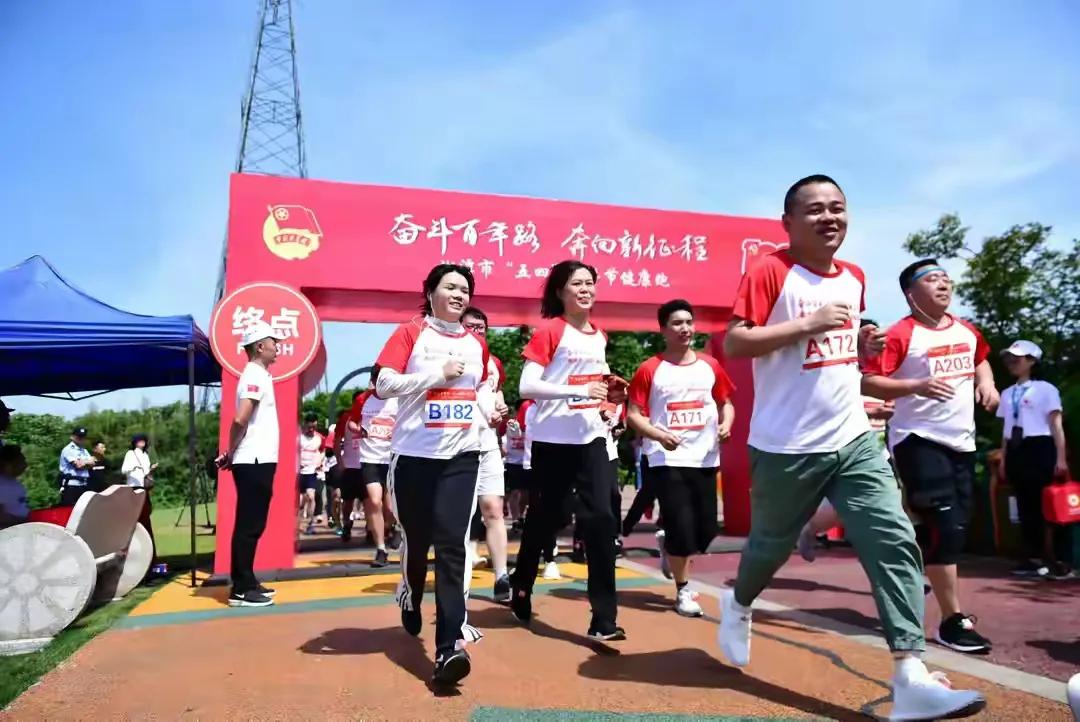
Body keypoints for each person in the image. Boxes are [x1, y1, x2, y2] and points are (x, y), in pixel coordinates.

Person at [718, 175, 985, 720]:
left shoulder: (855, 277)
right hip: (786, 444)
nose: (828, 218)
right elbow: (735, 341)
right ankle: (738, 602)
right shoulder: (772, 270)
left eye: (837, 208)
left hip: (853, 435)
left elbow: (841, 362)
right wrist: (807, 323)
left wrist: (860, 349)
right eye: (814, 210)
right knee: (767, 550)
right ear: (788, 222)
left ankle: (910, 673)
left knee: (893, 539)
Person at [861, 260, 999, 654]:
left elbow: (980, 360)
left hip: (962, 441)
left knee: (949, 525)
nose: (943, 284)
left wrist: (986, 384)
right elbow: (868, 379)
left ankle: (904, 573)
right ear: (911, 293)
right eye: (931, 279)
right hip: (917, 440)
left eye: (945, 278)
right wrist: (916, 384)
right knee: (946, 524)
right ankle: (952, 620)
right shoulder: (901, 333)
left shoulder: (966, 329)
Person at [375, 262, 498, 686]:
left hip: (461, 456)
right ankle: (410, 593)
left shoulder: (477, 344)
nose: (459, 295)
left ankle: (449, 648)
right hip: (412, 456)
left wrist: (490, 406)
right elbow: (383, 384)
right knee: (418, 540)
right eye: (450, 287)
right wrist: (434, 376)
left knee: (452, 546)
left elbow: (480, 388)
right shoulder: (411, 333)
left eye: (465, 289)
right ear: (430, 292)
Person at [509, 259, 629, 641]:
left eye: (590, 283)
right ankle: (522, 583)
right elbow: (527, 387)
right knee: (548, 517)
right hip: (552, 441)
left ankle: (604, 619)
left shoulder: (600, 336)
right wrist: (576, 391)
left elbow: (597, 387)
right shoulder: (551, 331)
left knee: (602, 521)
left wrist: (611, 404)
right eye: (577, 283)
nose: (585, 289)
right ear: (560, 291)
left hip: (591, 438)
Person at [627, 299, 735, 617]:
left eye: (688, 322)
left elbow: (725, 402)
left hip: (704, 458)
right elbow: (634, 415)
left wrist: (727, 423)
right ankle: (683, 589)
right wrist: (659, 435)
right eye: (677, 323)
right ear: (663, 329)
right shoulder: (650, 369)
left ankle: (670, 548)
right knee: (682, 529)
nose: (685, 328)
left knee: (705, 532)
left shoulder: (710, 366)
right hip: (666, 458)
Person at [215, 320, 286, 608]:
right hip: (253, 458)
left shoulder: (260, 375)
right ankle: (241, 589)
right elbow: (240, 419)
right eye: (274, 342)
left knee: (254, 523)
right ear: (260, 346)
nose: (278, 347)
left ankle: (248, 580)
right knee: (249, 523)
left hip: (259, 458)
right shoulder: (254, 375)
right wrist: (231, 452)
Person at [998, 340, 1073, 580]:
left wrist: (1061, 457)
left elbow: (1056, 425)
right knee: (1024, 505)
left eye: (1017, 358)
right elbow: (1006, 429)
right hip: (1017, 449)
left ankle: (1058, 559)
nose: (1012, 363)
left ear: (1032, 361)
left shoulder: (1046, 389)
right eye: (1009, 358)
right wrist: (1003, 458)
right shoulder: (1007, 393)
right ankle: (1032, 558)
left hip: (1040, 446)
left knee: (1047, 505)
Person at [462, 306, 513, 603]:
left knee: (493, 509)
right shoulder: (447, 356)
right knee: (459, 515)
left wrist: (501, 410)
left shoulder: (494, 363)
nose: (477, 332)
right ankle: (458, 577)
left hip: (487, 443)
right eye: (471, 326)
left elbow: (497, 396)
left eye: (481, 328)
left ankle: (501, 576)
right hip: (455, 445)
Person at [346, 377, 399, 566]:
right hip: (370, 458)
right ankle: (381, 549)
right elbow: (352, 422)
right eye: (377, 382)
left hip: (392, 458)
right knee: (374, 501)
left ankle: (394, 527)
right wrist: (358, 429)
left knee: (391, 508)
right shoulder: (363, 399)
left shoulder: (397, 399)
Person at [503, 399, 532, 529]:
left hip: (526, 462)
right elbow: (504, 432)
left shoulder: (532, 424)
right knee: (514, 492)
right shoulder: (511, 424)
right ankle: (515, 519)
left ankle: (521, 515)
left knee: (525, 493)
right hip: (512, 462)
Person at [58, 427, 95, 506]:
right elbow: (78, 465)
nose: (81, 439)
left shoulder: (84, 450)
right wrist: (87, 462)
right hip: (71, 485)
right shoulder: (68, 449)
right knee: (69, 511)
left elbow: (92, 463)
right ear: (72, 437)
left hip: (84, 484)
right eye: (79, 436)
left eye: (83, 437)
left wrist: (84, 463)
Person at [0, 444, 29, 529]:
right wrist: (23, 521)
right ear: (8, 464)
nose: (25, 466)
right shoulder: (2, 485)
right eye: (21, 462)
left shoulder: (13, 482)